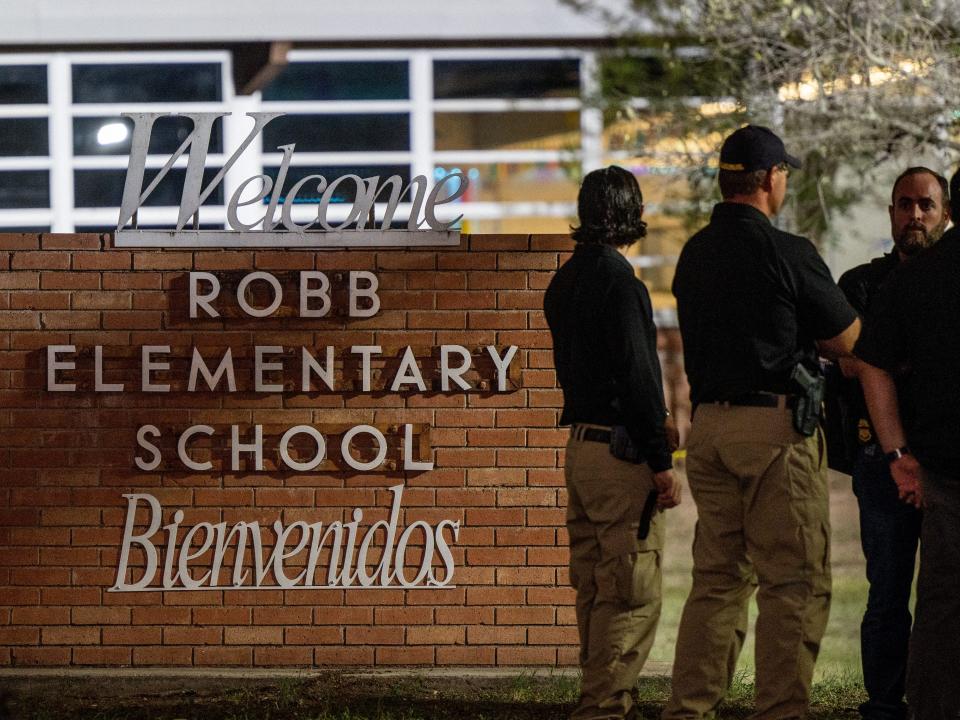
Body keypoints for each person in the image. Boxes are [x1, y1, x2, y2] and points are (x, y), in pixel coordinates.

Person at [664, 125, 860, 720]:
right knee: (794, 584)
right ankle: (779, 711)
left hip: (710, 432)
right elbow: (848, 338)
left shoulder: (693, 253)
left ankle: (689, 709)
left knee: (718, 581)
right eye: (783, 175)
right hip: (773, 431)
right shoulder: (788, 252)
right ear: (771, 179)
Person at [544, 165, 682, 720]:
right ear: (632, 213)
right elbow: (639, 377)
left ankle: (597, 693)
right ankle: (604, 705)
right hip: (621, 453)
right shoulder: (621, 284)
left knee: (596, 586)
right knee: (629, 589)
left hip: (580, 448)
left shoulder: (565, 281)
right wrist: (661, 460)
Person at [835, 167, 950, 720]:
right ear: (890, 213)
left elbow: (870, 359)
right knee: (888, 590)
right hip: (883, 458)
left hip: (944, 458)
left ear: (945, 213)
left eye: (926, 205)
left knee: (942, 595)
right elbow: (854, 361)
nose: (915, 216)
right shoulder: (862, 285)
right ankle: (884, 703)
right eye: (904, 205)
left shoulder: (942, 279)